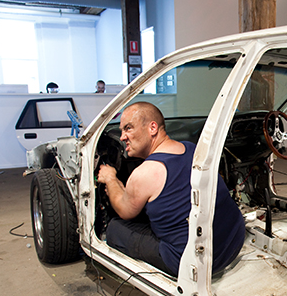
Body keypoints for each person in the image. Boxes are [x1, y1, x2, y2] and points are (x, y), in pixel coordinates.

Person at [96, 102, 245, 276]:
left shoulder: (145, 173)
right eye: (121, 130)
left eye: (128, 128)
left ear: (152, 128)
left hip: (194, 264)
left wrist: (110, 178)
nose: (122, 137)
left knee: (115, 228)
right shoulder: (192, 149)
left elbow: (124, 210)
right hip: (233, 243)